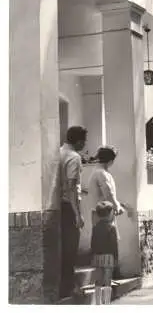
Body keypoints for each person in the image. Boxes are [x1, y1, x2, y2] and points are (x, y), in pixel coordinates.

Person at [59, 126, 87, 298]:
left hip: (57, 205)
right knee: (70, 248)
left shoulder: (58, 153)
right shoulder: (74, 157)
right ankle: (69, 288)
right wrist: (77, 214)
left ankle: (65, 286)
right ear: (78, 141)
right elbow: (70, 186)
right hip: (68, 205)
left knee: (62, 248)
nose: (84, 144)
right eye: (84, 141)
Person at [91, 201, 119, 305]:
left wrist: (93, 255)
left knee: (98, 280)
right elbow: (114, 245)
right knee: (108, 280)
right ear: (110, 213)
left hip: (97, 256)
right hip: (109, 256)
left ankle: (98, 303)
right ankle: (106, 303)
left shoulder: (95, 227)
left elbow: (92, 243)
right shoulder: (112, 228)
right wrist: (116, 257)